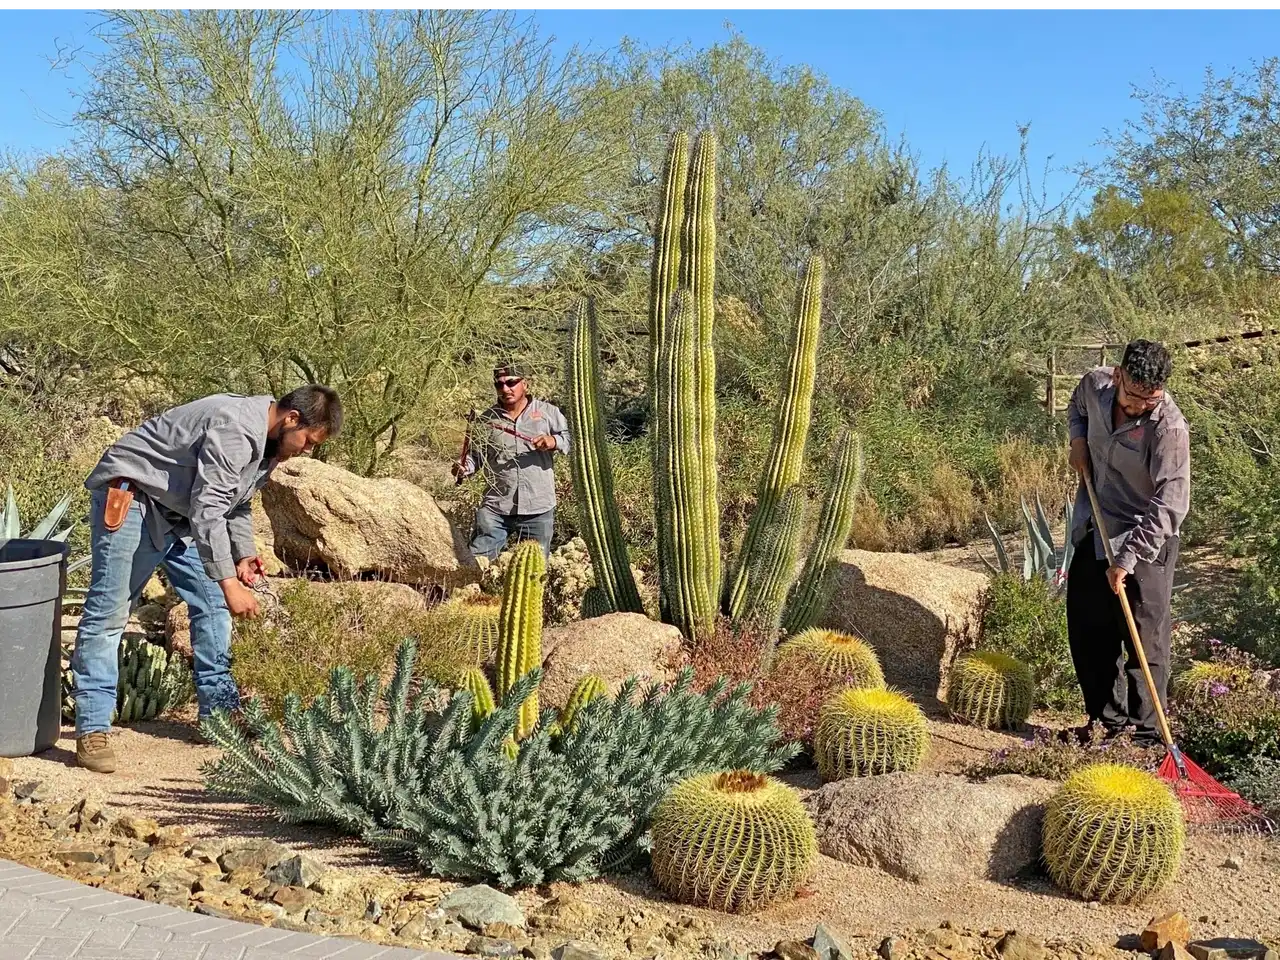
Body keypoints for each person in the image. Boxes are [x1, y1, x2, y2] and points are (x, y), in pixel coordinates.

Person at [70, 385, 343, 774]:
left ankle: (218, 717)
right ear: (292, 419)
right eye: (309, 441)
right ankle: (92, 730)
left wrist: (243, 555)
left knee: (212, 606)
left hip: (180, 516)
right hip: (136, 500)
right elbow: (209, 510)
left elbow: (237, 504)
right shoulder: (236, 429)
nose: (308, 450)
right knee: (109, 615)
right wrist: (229, 583)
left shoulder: (270, 443)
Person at [1064, 339, 1190, 746]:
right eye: (1133, 398)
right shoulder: (1094, 386)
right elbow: (1076, 408)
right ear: (1117, 376)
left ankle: (1149, 738)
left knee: (1146, 639)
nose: (1139, 408)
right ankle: (1107, 726)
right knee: (1089, 630)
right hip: (1095, 526)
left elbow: (1170, 504)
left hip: (1146, 537)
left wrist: (1128, 558)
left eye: (1149, 401)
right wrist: (1078, 440)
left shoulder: (1169, 428)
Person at [453, 363, 570, 560]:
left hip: (538, 506)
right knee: (477, 561)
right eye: (499, 385)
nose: (505, 389)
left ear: (525, 384)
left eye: (511, 382)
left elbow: (571, 440)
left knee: (534, 570)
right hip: (497, 506)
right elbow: (476, 456)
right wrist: (464, 467)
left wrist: (552, 441)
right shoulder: (486, 420)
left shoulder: (548, 413)